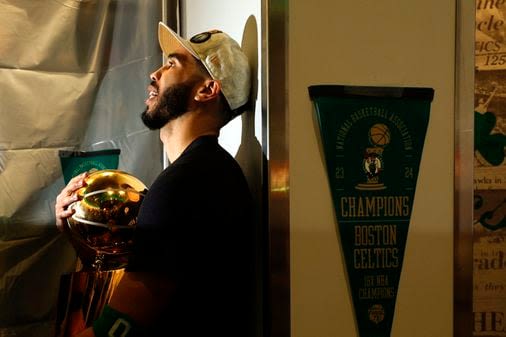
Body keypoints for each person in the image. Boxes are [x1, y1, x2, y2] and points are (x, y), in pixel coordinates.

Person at [55, 22, 255, 337]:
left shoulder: (187, 182)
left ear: (206, 90)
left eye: (172, 64)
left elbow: (123, 325)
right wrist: (78, 230)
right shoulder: (205, 171)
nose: (155, 73)